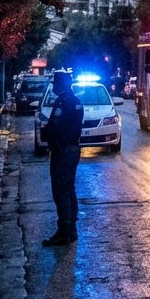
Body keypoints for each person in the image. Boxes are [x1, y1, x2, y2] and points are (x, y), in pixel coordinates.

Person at [41, 70, 84, 246]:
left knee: (61, 190)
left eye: (55, 84)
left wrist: (45, 132)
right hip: (72, 150)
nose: (53, 86)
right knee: (69, 189)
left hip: (63, 151)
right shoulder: (75, 101)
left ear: (62, 84)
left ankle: (64, 230)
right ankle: (71, 228)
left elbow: (56, 127)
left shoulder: (64, 102)